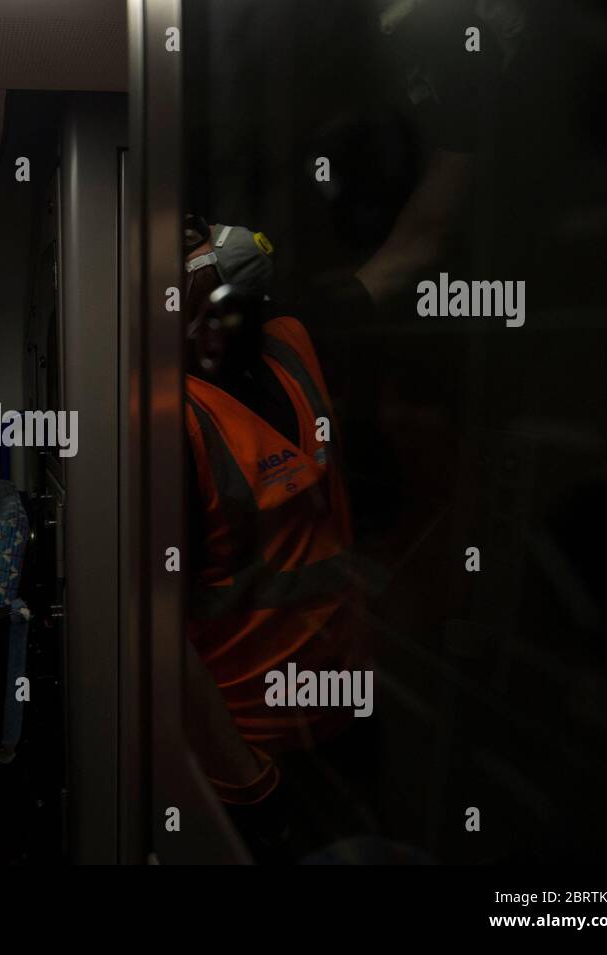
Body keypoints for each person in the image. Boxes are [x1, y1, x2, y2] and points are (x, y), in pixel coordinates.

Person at [180, 218, 373, 862]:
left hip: (345, 709)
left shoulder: (290, 338)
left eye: (202, 227)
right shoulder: (167, 419)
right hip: (255, 735)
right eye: (192, 240)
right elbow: (155, 633)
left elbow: (405, 258)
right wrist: (247, 781)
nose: (225, 238)